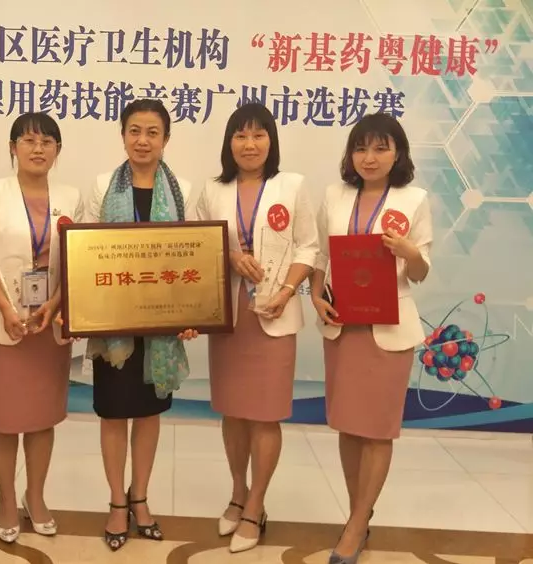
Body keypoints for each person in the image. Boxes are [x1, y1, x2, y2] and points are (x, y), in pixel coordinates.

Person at [196, 102, 318, 553]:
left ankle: (256, 506)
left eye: (258, 135)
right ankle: (237, 492)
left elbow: (309, 247)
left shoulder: (292, 185)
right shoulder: (213, 190)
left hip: (274, 313)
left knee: (265, 415)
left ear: (271, 141)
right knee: (233, 412)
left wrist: (287, 291)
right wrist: (228, 255)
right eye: (241, 135)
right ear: (229, 143)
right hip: (229, 317)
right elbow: (197, 243)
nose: (249, 144)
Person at [310, 113, 432, 564]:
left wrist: (409, 251)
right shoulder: (335, 195)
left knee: (377, 430)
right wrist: (315, 294)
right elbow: (321, 255)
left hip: (389, 330)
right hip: (343, 325)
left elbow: (420, 272)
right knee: (349, 424)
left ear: (397, 153)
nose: (370, 157)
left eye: (381, 148)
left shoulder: (414, 199)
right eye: (361, 148)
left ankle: (357, 524)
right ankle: (358, 514)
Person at [84, 99, 197, 551]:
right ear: (123, 135)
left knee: (149, 414)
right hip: (113, 323)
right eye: (134, 131)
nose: (143, 140)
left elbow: (193, 257)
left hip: (161, 325)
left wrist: (191, 314)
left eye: (153, 132)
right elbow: (87, 255)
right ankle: (117, 500)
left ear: (166, 139)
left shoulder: (183, 190)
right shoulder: (101, 186)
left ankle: (140, 497)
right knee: (113, 414)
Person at [0, 112, 82, 542]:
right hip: (5, 324)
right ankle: (5, 498)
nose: (38, 149)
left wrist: (55, 304)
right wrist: (6, 309)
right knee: (3, 419)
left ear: (58, 150)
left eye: (47, 141)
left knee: (40, 417)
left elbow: (78, 257)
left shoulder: (71, 196)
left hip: (48, 324)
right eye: (28, 140)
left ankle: (36, 496)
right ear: (12, 147)